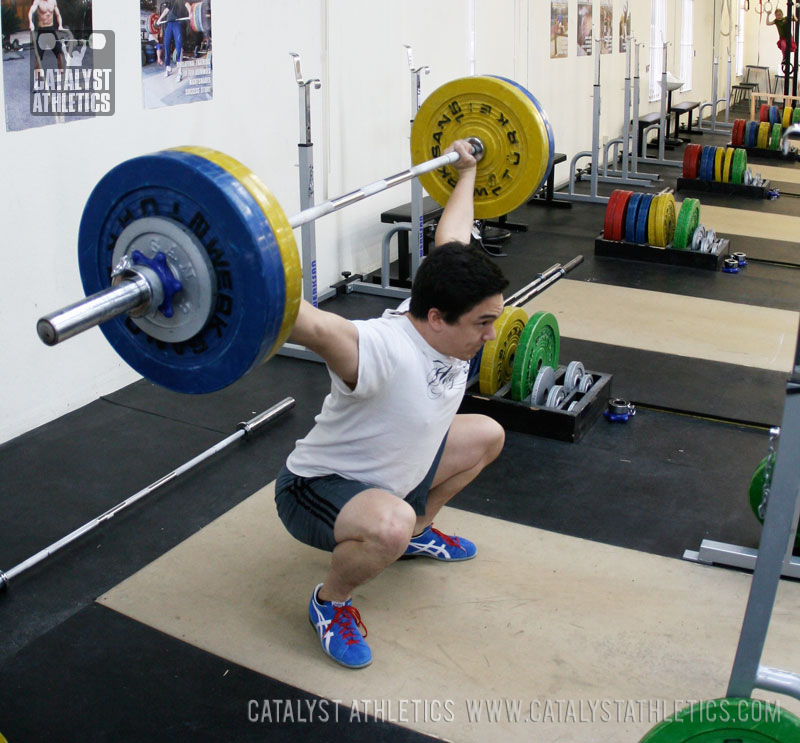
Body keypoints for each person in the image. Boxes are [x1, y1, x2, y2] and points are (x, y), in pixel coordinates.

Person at [274, 139, 508, 669]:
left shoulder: (438, 304)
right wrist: (239, 256)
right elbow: (306, 320)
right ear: (435, 319)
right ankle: (330, 603)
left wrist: (466, 171)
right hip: (317, 487)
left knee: (487, 436)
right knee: (388, 527)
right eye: (483, 324)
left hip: (402, 472)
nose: (492, 337)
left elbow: (451, 237)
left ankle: (418, 531)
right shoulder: (380, 349)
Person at [28, 0, 64, 74]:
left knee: (59, 54)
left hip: (51, 30)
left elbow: (58, 14)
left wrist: (60, 25)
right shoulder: (38, 1)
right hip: (42, 31)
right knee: (38, 57)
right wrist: (31, 23)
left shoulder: (53, 1)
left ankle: (62, 76)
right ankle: (36, 80)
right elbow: (30, 12)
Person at [158, 0, 186, 79]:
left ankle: (180, 71)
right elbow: (166, 10)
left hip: (177, 23)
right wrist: (159, 19)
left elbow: (187, 5)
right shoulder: (171, 1)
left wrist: (192, 14)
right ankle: (167, 67)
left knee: (179, 46)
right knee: (166, 44)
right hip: (169, 24)